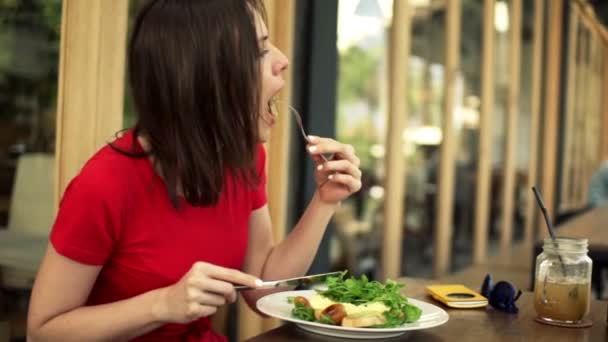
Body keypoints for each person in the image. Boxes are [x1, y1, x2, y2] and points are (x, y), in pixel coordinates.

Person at [26, 1, 362, 341]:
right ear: (206, 76)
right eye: (259, 51)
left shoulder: (244, 159)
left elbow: (261, 289)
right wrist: (161, 304)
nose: (282, 60)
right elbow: (42, 332)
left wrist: (325, 202)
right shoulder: (105, 184)